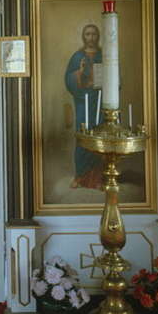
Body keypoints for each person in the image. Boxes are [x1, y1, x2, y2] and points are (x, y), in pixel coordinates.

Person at [64, 24, 103, 190]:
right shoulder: (77, 56)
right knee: (83, 136)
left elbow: (113, 77)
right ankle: (80, 176)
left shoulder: (104, 55)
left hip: (100, 101)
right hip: (83, 101)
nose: (91, 37)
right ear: (83, 36)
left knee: (100, 137)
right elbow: (69, 79)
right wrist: (79, 73)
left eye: (94, 34)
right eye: (88, 34)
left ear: (98, 36)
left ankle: (100, 179)